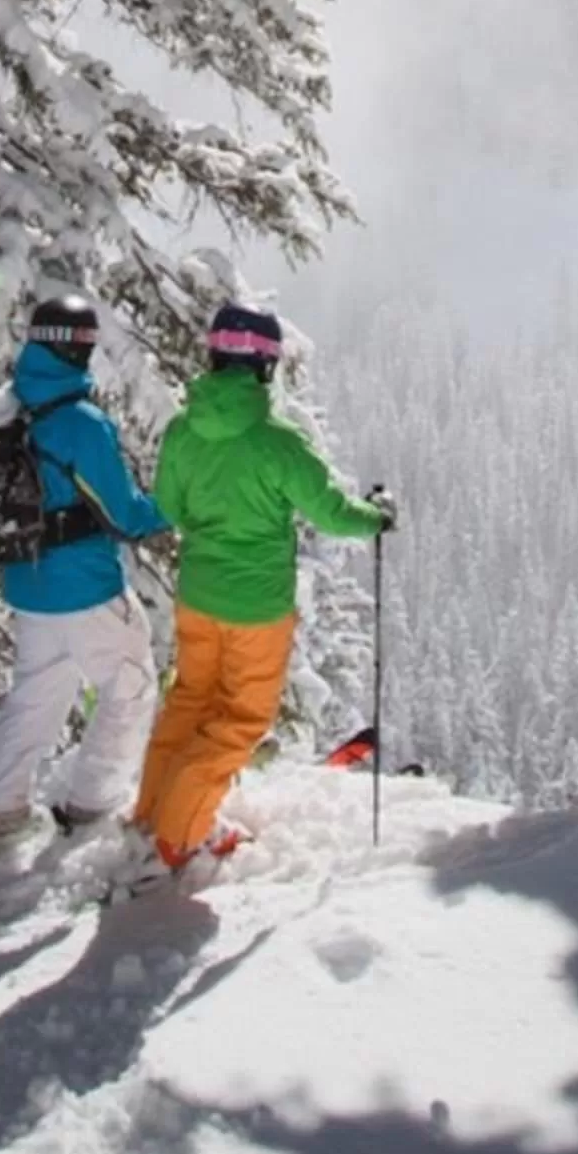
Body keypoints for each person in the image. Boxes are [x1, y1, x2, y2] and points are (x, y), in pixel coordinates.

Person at [132, 302, 395, 871]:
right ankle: (179, 835)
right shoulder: (278, 441)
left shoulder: (182, 430)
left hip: (198, 595)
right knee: (240, 720)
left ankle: (153, 812)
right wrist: (375, 518)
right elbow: (330, 513)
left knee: (190, 702)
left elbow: (168, 507)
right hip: (257, 606)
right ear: (264, 367)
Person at [0, 292, 169, 855]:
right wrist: (170, 507)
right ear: (78, 348)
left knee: (37, 694)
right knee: (129, 685)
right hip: (85, 584)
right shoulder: (80, 422)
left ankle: (0, 813)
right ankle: (94, 806)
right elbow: (124, 515)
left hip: (28, 585)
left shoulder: (6, 407)